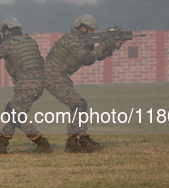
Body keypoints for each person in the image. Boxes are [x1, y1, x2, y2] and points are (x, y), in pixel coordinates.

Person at [44, 14, 122, 153]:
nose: (92, 34)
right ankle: (82, 141)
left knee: (77, 105)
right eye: (91, 31)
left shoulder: (82, 40)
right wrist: (104, 44)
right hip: (52, 76)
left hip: (58, 76)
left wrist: (112, 47)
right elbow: (87, 58)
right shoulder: (71, 39)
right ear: (83, 27)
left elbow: (98, 56)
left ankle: (73, 142)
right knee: (79, 104)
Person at [0, 18, 52, 154]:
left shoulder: (8, 45)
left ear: (7, 30)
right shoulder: (31, 41)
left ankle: (41, 143)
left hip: (26, 85)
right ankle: (2, 144)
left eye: (4, 32)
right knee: (13, 111)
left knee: (13, 113)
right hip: (38, 83)